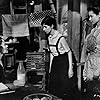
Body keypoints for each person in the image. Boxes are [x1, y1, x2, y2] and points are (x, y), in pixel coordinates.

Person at [41, 16, 77, 100]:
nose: (43, 29)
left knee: (63, 87)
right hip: (55, 62)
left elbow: (69, 52)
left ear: (52, 26)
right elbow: (51, 54)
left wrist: (70, 69)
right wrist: (50, 68)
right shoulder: (49, 38)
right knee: (53, 85)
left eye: (45, 27)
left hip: (64, 62)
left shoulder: (60, 38)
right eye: (43, 27)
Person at [83, 6, 100, 81]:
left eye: (91, 16)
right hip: (90, 65)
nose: (90, 19)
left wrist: (97, 72)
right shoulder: (93, 30)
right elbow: (88, 52)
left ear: (99, 14)